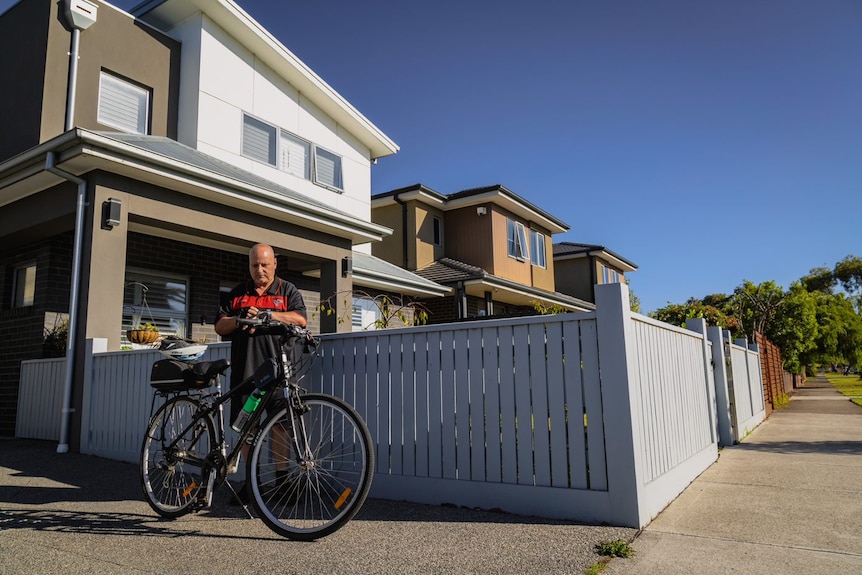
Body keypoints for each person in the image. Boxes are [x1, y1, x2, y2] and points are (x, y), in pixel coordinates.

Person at [215, 243, 307, 504]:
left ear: (275, 263)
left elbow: (300, 319)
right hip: (246, 372)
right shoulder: (236, 294)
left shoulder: (287, 290)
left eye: (265, 265)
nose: (260, 270)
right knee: (247, 428)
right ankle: (252, 484)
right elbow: (220, 326)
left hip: (279, 370)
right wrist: (240, 318)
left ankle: (283, 483)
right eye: (255, 265)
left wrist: (270, 315)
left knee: (280, 426)